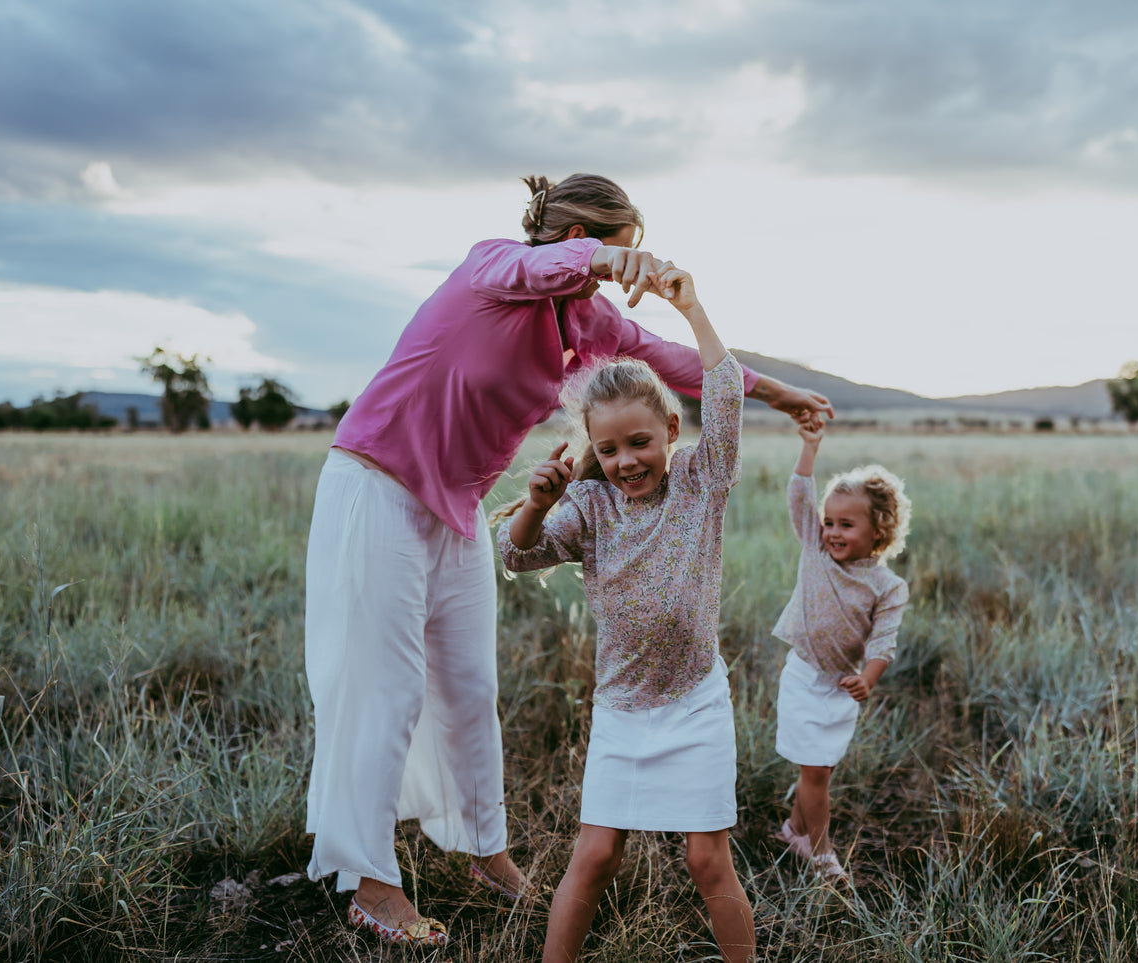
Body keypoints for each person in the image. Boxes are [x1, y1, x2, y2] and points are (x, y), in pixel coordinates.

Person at [304, 173, 831, 946]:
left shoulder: (589, 322)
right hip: (376, 484)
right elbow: (540, 267)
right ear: (575, 239)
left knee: (469, 684)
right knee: (382, 691)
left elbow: (679, 362)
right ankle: (371, 881)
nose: (618, 278)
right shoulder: (493, 268)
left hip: (456, 509)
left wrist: (783, 395)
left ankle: (488, 851)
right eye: (614, 254)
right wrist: (610, 260)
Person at [497, 265, 754, 963]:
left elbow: (726, 392)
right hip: (621, 708)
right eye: (607, 449)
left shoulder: (701, 480)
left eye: (639, 442)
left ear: (671, 429)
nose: (625, 460)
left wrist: (693, 309)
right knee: (595, 855)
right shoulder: (588, 506)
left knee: (707, 861)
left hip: (695, 700)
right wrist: (536, 506)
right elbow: (514, 555)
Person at [771, 419, 910, 879]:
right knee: (815, 773)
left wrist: (868, 678)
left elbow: (883, 641)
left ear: (879, 532)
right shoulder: (815, 549)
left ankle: (794, 829)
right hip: (804, 676)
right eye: (829, 521)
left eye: (846, 524)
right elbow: (798, 497)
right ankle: (822, 852)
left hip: (842, 687)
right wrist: (810, 448)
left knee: (820, 769)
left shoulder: (888, 587)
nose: (831, 531)